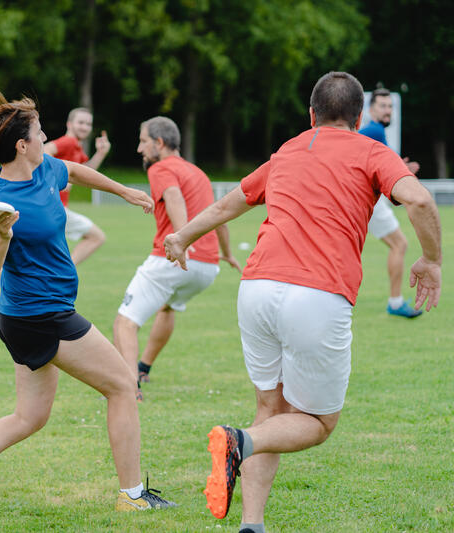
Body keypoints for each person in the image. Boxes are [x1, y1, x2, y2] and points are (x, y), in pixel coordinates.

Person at [162, 71, 441, 533]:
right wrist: (430, 259)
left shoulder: (289, 149)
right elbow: (421, 200)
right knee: (317, 423)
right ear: (359, 118)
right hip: (317, 294)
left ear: (311, 115)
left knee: (271, 409)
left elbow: (228, 204)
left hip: (255, 289)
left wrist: (181, 236)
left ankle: (252, 524)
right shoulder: (373, 150)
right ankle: (238, 441)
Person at [0, 88, 175, 511]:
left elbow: (75, 172)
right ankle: (132, 496)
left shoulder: (44, 170)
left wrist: (124, 192)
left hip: (33, 315)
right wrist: (4, 234)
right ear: (22, 145)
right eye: (40, 132)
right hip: (41, 317)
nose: (47, 138)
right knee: (121, 386)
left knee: (29, 417)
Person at [112, 116, 241, 402]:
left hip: (174, 258)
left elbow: (172, 196)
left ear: (159, 143)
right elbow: (220, 216)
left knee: (125, 322)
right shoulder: (198, 173)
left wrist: (182, 240)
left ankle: (129, 389)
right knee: (168, 308)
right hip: (207, 266)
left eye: (144, 141)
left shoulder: (161, 168)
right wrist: (228, 254)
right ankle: (143, 368)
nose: (139, 148)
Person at [0, 107, 110, 320]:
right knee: (96, 236)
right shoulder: (67, 142)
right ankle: (54, 273)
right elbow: (44, 153)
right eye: (80, 122)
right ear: (69, 124)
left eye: (88, 124)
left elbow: (83, 171)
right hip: (47, 208)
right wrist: (45, 178)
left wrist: (100, 153)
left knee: (16, 260)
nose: (85, 127)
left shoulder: (77, 148)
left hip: (53, 209)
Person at [360, 87, 423, 318]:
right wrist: (402, 170)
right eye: (383, 106)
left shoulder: (376, 132)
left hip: (369, 199)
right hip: (369, 200)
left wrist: (400, 167)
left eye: (390, 106)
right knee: (400, 244)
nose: (388, 111)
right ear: (371, 109)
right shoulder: (373, 131)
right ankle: (395, 303)